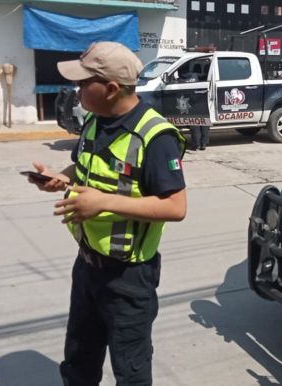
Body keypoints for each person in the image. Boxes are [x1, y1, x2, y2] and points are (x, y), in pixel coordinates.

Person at [29, 41, 187, 386]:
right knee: (78, 361)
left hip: (129, 279)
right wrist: (60, 178)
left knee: (130, 371)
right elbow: (81, 169)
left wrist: (102, 202)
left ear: (112, 89)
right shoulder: (95, 122)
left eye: (85, 83)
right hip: (87, 267)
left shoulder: (156, 137)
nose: (78, 89)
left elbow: (175, 207)